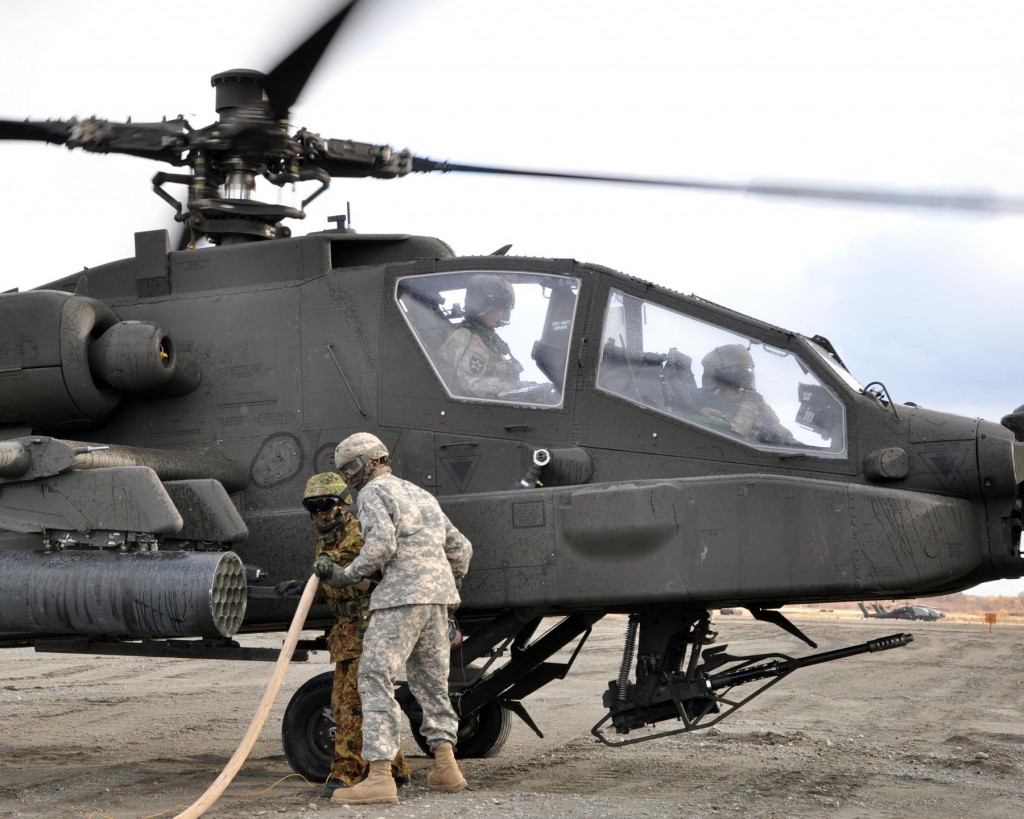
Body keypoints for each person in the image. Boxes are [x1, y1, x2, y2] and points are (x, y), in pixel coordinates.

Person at [318, 432, 473, 806]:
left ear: (374, 461)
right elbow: (461, 549)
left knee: (373, 676)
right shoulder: (421, 494)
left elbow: (382, 548)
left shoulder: (373, 494)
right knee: (432, 684)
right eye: (343, 472)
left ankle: (380, 777)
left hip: (401, 599)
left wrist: (344, 575)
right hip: (437, 600)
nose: (350, 478)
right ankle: (446, 767)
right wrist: (444, 587)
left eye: (353, 468)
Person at [276, 472, 410, 798]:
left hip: (368, 630)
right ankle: (396, 770)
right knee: (360, 703)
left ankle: (345, 775)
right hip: (348, 633)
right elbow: (335, 582)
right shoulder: (325, 538)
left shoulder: (354, 531)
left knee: (349, 706)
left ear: (343, 504)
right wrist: (308, 588)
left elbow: (351, 560)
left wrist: (326, 566)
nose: (321, 512)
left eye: (327, 504)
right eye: (313, 506)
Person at [438, 274, 524, 397]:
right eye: (494, 308)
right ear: (479, 306)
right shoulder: (465, 338)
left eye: (503, 309)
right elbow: (473, 386)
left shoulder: (488, 336)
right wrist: (513, 388)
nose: (500, 314)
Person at [696, 344, 798, 445]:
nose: (738, 384)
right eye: (727, 378)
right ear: (716, 382)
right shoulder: (708, 411)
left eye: (743, 376)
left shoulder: (757, 405)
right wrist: (750, 405)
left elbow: (785, 435)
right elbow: (733, 439)